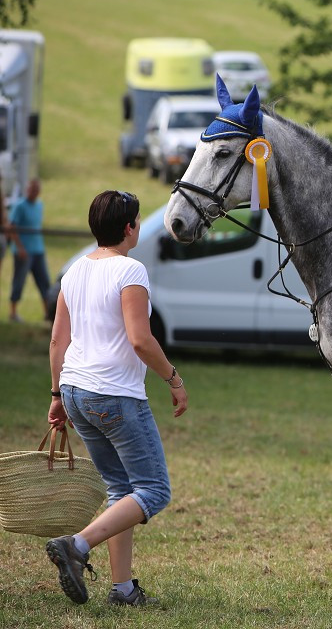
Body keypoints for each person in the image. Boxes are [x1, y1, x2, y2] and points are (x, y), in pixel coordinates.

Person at [45, 190, 188, 607]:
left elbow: (58, 340)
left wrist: (56, 395)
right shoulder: (131, 270)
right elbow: (140, 340)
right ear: (129, 228)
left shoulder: (73, 271)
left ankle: (123, 590)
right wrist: (174, 378)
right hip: (114, 396)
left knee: (121, 490)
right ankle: (77, 545)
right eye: (138, 220)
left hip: (74, 390)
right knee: (154, 491)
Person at [9, 178, 50, 322]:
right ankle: (13, 312)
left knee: (44, 282)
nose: (34, 192)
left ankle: (48, 312)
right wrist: (20, 247)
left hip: (38, 249)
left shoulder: (39, 205)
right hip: (24, 251)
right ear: (27, 190)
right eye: (32, 189)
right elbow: (11, 227)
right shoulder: (19, 206)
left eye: (36, 190)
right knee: (19, 281)